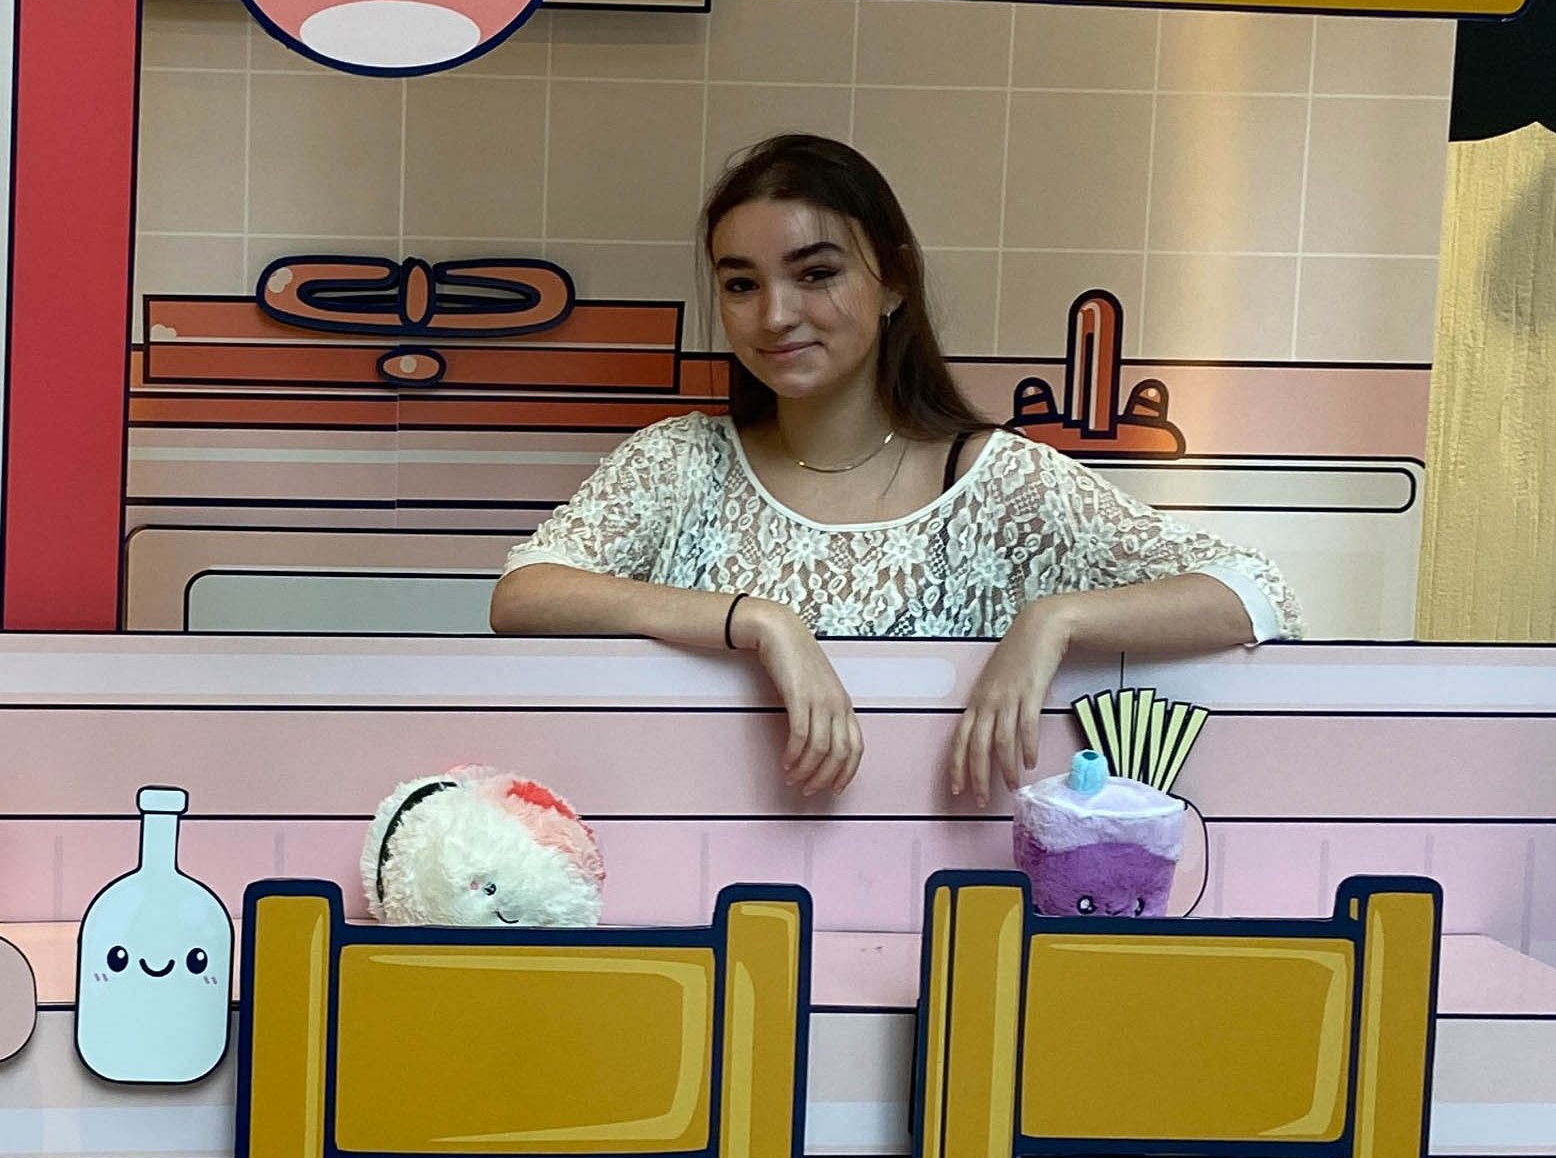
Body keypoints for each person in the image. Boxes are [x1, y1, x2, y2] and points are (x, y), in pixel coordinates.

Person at [490, 134, 1301, 806]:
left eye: (816, 273)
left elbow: (1256, 592)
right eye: (741, 283)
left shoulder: (998, 480)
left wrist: (1053, 620)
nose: (776, 313)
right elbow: (523, 595)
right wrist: (759, 620)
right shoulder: (680, 461)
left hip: (937, 898)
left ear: (894, 283)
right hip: (691, 877)